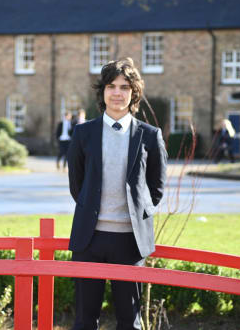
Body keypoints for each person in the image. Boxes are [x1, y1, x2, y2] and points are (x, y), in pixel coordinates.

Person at [67, 57, 167, 330]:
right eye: (111, 86)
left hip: (130, 242)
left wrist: (134, 212)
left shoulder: (149, 135)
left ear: (134, 93)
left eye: (124, 87)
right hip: (90, 240)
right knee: (85, 321)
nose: (117, 93)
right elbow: (77, 186)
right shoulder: (83, 133)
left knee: (130, 322)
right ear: (103, 92)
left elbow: (155, 189)